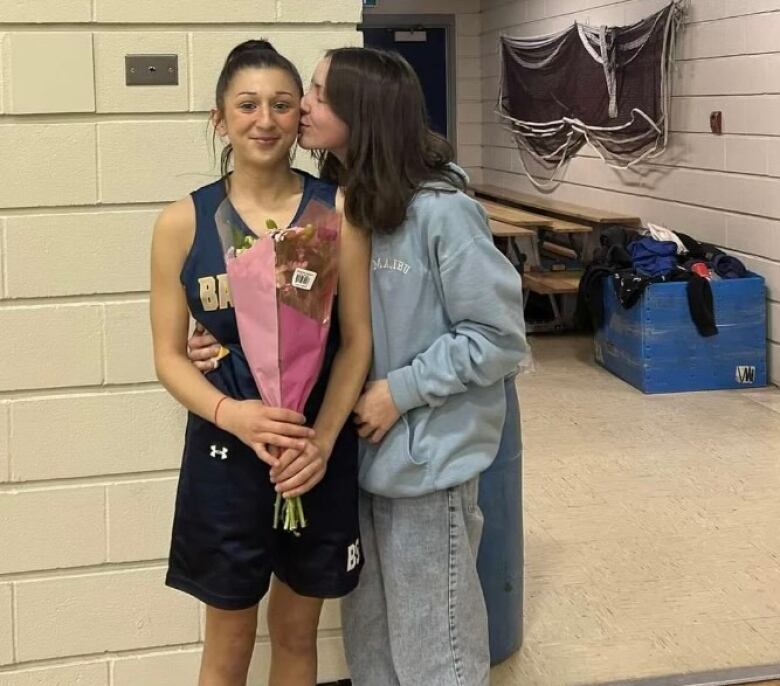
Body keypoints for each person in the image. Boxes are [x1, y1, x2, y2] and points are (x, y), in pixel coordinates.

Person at [189, 46, 529, 686]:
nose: (302, 107)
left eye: (317, 93)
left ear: (362, 112)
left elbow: (501, 337)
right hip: (357, 466)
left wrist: (398, 390)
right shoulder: (340, 206)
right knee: (372, 650)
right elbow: (291, 315)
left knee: (436, 655)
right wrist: (214, 333)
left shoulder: (441, 210)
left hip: (427, 466)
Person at [149, 39, 371, 686]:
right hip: (225, 456)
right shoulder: (182, 223)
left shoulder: (339, 210)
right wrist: (232, 415)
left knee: (297, 633)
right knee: (229, 639)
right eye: (247, 105)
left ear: (298, 115)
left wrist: (323, 443)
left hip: (313, 454)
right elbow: (168, 355)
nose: (265, 120)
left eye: (280, 105)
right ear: (221, 118)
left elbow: (356, 342)